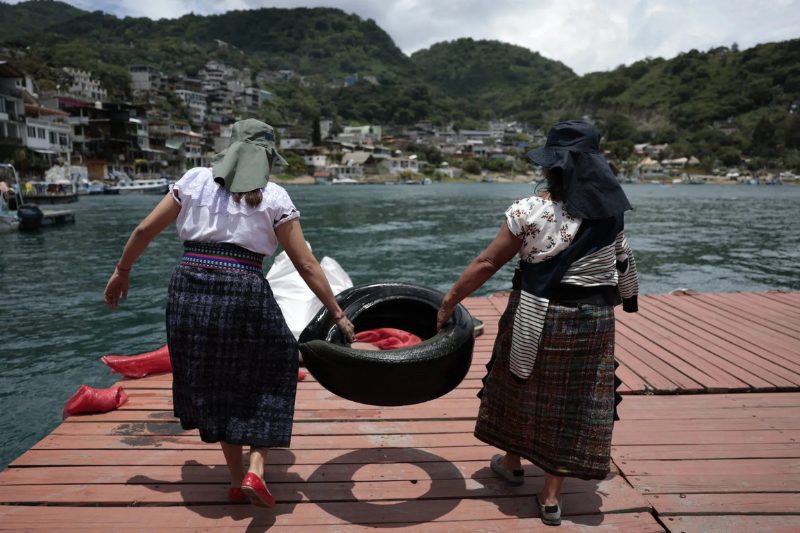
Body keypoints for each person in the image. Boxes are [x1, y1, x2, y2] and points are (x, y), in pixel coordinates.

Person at [103, 118, 355, 508]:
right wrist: (337, 313)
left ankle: (237, 480)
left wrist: (122, 271)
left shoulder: (192, 180)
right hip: (243, 288)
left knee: (215, 378)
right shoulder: (274, 197)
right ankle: (256, 467)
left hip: (189, 287)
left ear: (230, 148)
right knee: (275, 366)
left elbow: (142, 231)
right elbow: (305, 264)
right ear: (267, 158)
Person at [436, 120, 638, 526]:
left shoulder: (530, 210)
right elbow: (624, 260)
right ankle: (550, 496)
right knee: (574, 401)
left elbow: (488, 262)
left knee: (516, 385)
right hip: (594, 321)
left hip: (535, 313)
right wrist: (630, 299)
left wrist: (448, 302)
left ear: (551, 167)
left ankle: (511, 464)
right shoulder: (611, 212)